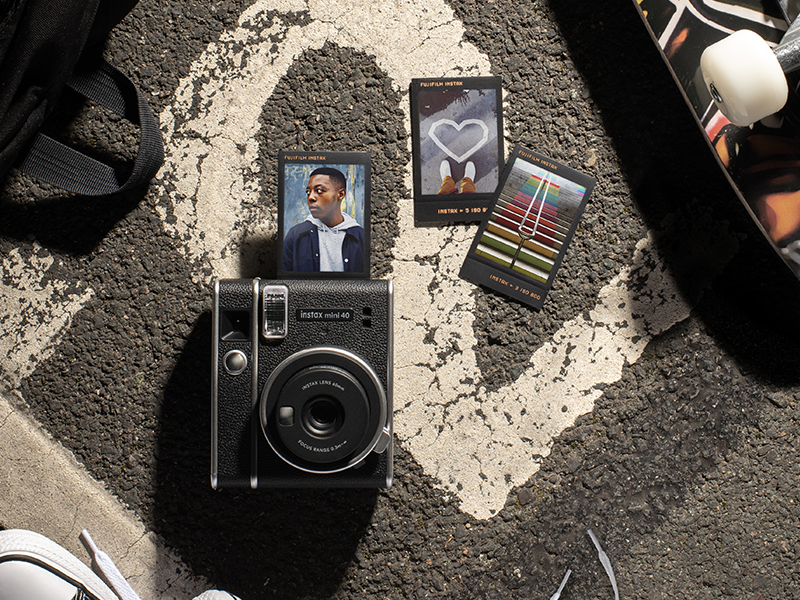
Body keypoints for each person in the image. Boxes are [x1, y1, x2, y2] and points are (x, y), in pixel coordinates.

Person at [283, 167, 365, 272]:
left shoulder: (361, 237)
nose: (310, 197)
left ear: (341, 194)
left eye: (319, 191)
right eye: (308, 192)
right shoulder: (296, 235)